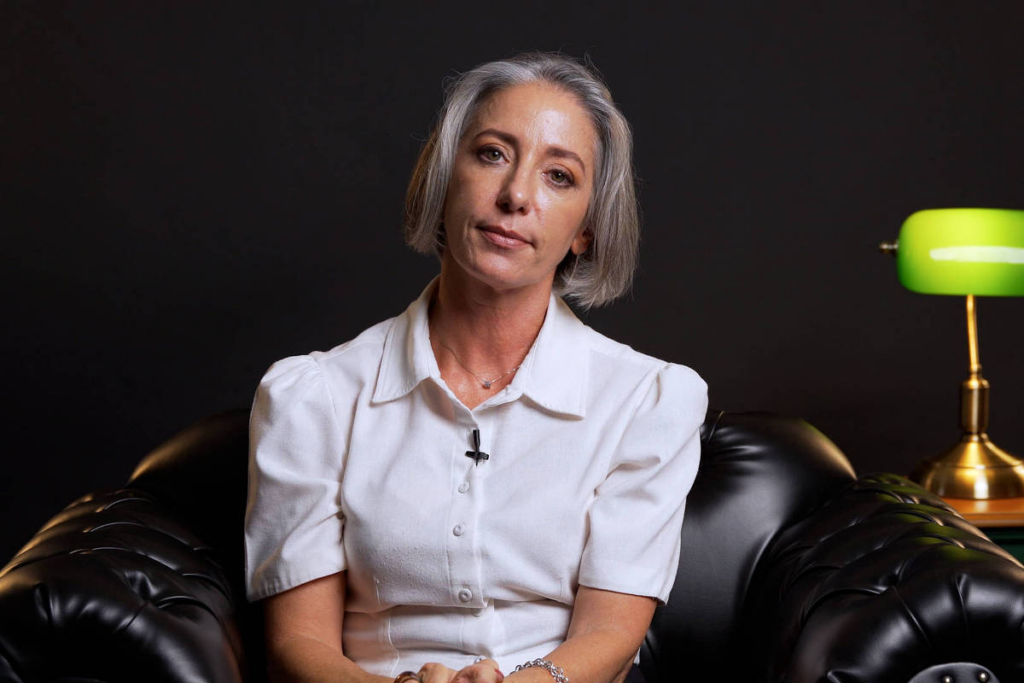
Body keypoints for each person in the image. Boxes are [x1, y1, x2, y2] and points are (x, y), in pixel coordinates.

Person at [244, 52, 708, 683]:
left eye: (559, 177)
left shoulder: (647, 399)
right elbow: (297, 643)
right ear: (443, 180)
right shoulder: (313, 396)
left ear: (587, 230)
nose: (516, 195)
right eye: (492, 154)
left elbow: (611, 635)